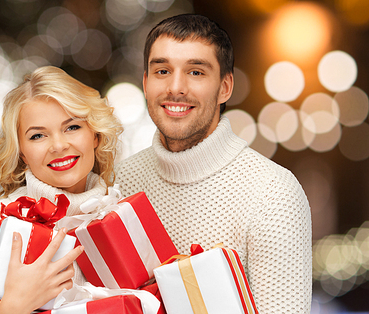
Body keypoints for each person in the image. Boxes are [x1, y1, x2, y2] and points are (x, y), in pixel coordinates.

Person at [115, 14, 312, 313]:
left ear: (225, 87)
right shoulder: (119, 182)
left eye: (195, 72)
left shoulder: (274, 194)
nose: (176, 87)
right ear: (145, 82)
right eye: (162, 70)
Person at [0, 66, 123, 314]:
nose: (59, 145)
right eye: (38, 136)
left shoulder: (123, 219)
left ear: (95, 136)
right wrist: (16, 305)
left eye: (72, 127)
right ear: (21, 152)